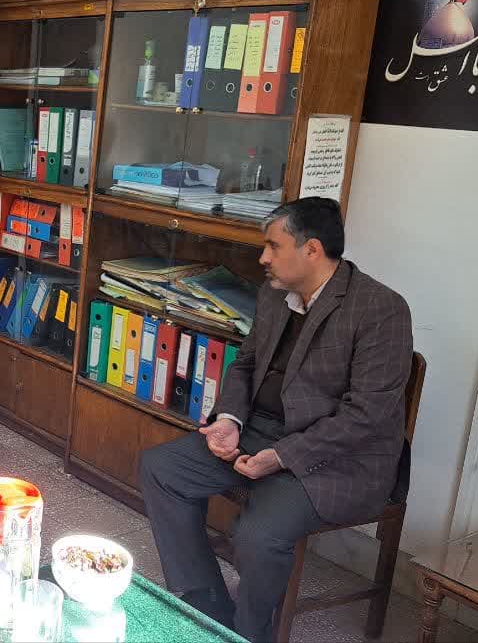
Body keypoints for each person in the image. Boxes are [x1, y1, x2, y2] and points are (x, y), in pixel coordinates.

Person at [139, 197, 413, 643]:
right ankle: (206, 609)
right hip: (261, 431)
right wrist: (230, 418)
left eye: (273, 246)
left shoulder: (381, 309)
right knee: (162, 469)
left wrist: (282, 456)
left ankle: (249, 635)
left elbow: (366, 415)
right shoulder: (274, 293)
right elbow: (247, 362)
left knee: (258, 535)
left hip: (339, 460)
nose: (263, 257)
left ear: (312, 250)